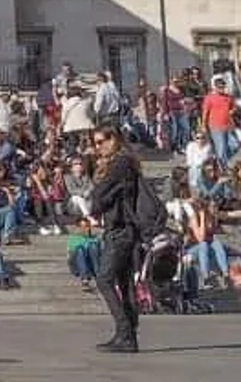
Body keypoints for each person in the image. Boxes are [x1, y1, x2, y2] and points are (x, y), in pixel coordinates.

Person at [88, 123, 141, 353]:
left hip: (120, 229)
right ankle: (127, 335)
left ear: (114, 139)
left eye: (101, 141)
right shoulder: (127, 162)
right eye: (95, 143)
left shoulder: (120, 162)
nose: (97, 147)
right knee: (124, 282)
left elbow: (98, 196)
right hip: (124, 228)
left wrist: (98, 194)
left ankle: (125, 331)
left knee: (104, 279)